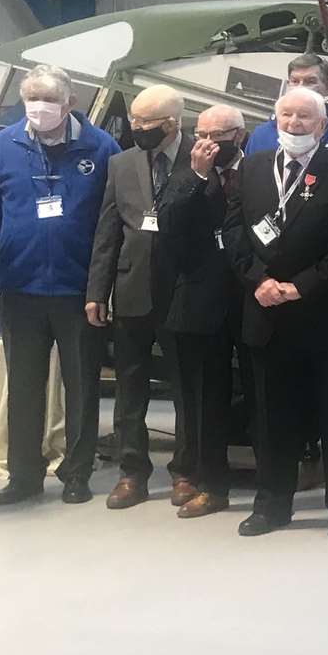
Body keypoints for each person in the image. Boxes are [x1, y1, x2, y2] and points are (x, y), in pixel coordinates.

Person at [224, 87, 328, 539]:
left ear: (322, 124)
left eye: (305, 117)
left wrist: (301, 285)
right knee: (272, 418)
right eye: (286, 115)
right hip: (267, 313)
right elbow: (233, 231)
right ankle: (271, 504)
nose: (294, 124)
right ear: (274, 119)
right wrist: (260, 281)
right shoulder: (251, 169)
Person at [0, 65, 120, 506]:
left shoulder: (100, 147)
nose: (38, 109)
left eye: (49, 101)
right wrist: (24, 243)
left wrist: (99, 283)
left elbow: (113, 215)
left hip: (79, 289)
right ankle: (23, 475)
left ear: (70, 103)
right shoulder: (4, 145)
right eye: (30, 101)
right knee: (23, 385)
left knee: (80, 386)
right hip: (21, 287)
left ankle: (76, 473)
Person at [86, 85, 193, 510]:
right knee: (130, 386)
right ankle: (133, 472)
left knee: (187, 388)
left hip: (184, 293)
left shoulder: (199, 160)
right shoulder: (120, 163)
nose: (137, 128)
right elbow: (107, 231)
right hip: (131, 291)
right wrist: (97, 290)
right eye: (134, 120)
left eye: (147, 122)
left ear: (173, 123)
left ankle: (186, 469)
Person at [155, 104, 250, 518]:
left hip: (253, 294)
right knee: (204, 397)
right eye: (203, 134)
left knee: (262, 391)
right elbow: (168, 223)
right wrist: (196, 177)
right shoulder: (186, 174)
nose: (210, 143)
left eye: (219, 135)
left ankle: (276, 477)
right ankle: (209, 481)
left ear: (240, 137)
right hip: (200, 298)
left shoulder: (262, 169)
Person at [243, 54, 328, 169]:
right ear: (288, 85)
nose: (301, 88)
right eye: (294, 81)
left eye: (310, 82)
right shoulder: (261, 134)